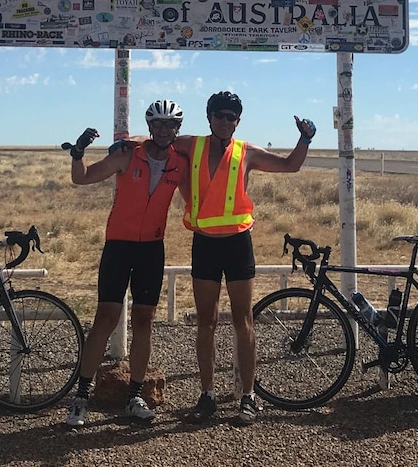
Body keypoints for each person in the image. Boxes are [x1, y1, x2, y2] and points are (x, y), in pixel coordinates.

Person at [124, 91, 316, 425]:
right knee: (206, 322)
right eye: (219, 115)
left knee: (244, 321)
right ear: (209, 117)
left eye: (231, 117)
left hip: (238, 244)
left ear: (237, 121)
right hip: (205, 245)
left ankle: (247, 397)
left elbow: (290, 165)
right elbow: (157, 137)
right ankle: (208, 394)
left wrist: (305, 139)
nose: (225, 121)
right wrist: (126, 143)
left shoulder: (247, 152)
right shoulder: (191, 145)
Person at [64, 99, 189, 427]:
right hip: (118, 247)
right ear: (150, 126)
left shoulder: (180, 163)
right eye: (158, 124)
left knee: (143, 321)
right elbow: (82, 178)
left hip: (152, 249)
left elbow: (195, 197)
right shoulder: (125, 155)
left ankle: (135, 395)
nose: (164, 129)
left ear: (177, 128)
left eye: (171, 124)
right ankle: (80, 397)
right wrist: (78, 154)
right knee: (105, 318)